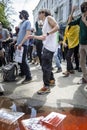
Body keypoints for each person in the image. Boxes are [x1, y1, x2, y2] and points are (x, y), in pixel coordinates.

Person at [27, 9, 59, 94]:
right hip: (46, 47)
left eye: (39, 13)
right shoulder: (44, 22)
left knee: (45, 67)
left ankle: (46, 87)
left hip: (49, 48)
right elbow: (43, 37)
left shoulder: (48, 17)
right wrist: (33, 36)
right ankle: (51, 80)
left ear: (43, 13)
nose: (38, 15)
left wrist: (48, 33)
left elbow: (57, 27)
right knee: (46, 66)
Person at [68, 2, 87, 83]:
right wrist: (72, 11)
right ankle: (85, 77)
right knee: (82, 62)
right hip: (81, 44)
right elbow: (69, 23)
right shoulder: (80, 18)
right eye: (83, 8)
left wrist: (85, 21)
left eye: (85, 8)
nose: (84, 9)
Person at [15, 10, 32, 84]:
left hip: (24, 44)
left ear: (24, 14)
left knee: (24, 61)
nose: (20, 15)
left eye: (21, 14)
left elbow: (28, 34)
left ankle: (29, 77)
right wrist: (16, 43)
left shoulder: (27, 22)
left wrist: (21, 43)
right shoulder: (21, 23)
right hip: (19, 44)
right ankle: (22, 73)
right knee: (20, 60)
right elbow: (20, 35)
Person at [62, 6, 80, 77]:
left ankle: (70, 69)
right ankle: (70, 69)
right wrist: (64, 42)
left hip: (74, 43)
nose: (68, 20)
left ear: (72, 20)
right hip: (67, 43)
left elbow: (76, 36)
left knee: (68, 56)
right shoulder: (67, 27)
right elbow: (65, 35)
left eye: (69, 19)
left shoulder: (76, 27)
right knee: (69, 56)